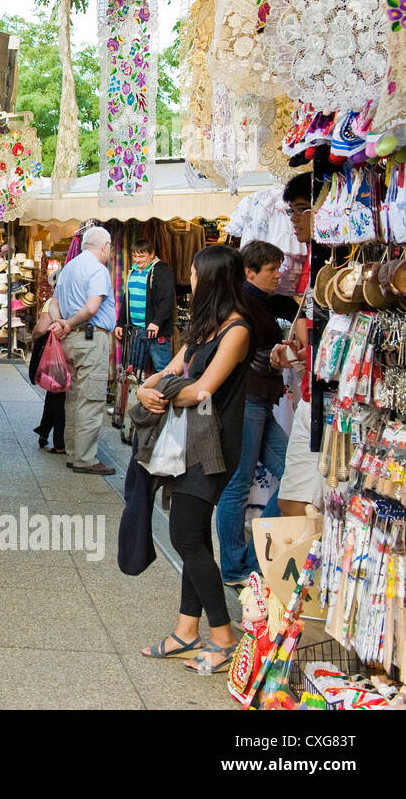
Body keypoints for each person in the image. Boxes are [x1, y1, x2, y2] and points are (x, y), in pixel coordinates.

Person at [137, 245, 252, 674]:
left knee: (186, 536)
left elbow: (202, 389)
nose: (191, 279)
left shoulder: (237, 330)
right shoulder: (204, 326)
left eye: (195, 273)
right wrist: (145, 388)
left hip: (214, 445)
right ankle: (186, 632)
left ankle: (223, 639)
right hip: (187, 440)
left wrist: (162, 394)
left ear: (212, 278)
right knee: (194, 535)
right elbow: (169, 371)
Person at [216, 240, 288, 586]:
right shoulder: (242, 304)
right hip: (248, 399)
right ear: (249, 271)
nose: (278, 275)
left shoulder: (259, 302)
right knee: (238, 482)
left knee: (294, 475)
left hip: (262, 400)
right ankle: (235, 567)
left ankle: (247, 561)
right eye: (272, 269)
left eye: (278, 268)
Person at [269, 172, 325, 517]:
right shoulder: (311, 263)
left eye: (302, 210)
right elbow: (306, 337)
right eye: (291, 211)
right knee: (296, 498)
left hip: (325, 399)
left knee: (308, 500)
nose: (294, 220)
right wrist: (293, 350)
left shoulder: (325, 261)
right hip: (310, 393)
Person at [50, 226, 117, 475]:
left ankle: (73, 452)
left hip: (69, 341)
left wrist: (60, 323)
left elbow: (54, 303)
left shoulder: (69, 267)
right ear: (104, 247)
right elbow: (91, 308)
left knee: (74, 398)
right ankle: (85, 458)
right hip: (89, 337)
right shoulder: (97, 269)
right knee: (90, 398)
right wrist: (68, 323)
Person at [116, 238, 175, 373]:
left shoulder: (161, 271)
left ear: (152, 254)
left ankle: (168, 394)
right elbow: (127, 299)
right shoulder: (133, 271)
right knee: (134, 372)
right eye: (134, 256)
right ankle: (136, 395)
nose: (137, 260)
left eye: (142, 256)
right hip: (136, 330)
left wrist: (156, 322)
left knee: (164, 370)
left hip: (154, 331)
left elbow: (167, 300)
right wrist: (120, 323)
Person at [29, 280, 65, 453]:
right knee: (56, 395)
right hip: (70, 353)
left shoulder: (53, 302)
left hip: (55, 355)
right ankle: (45, 433)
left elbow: (42, 328)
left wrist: (33, 336)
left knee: (56, 395)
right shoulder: (79, 300)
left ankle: (58, 441)